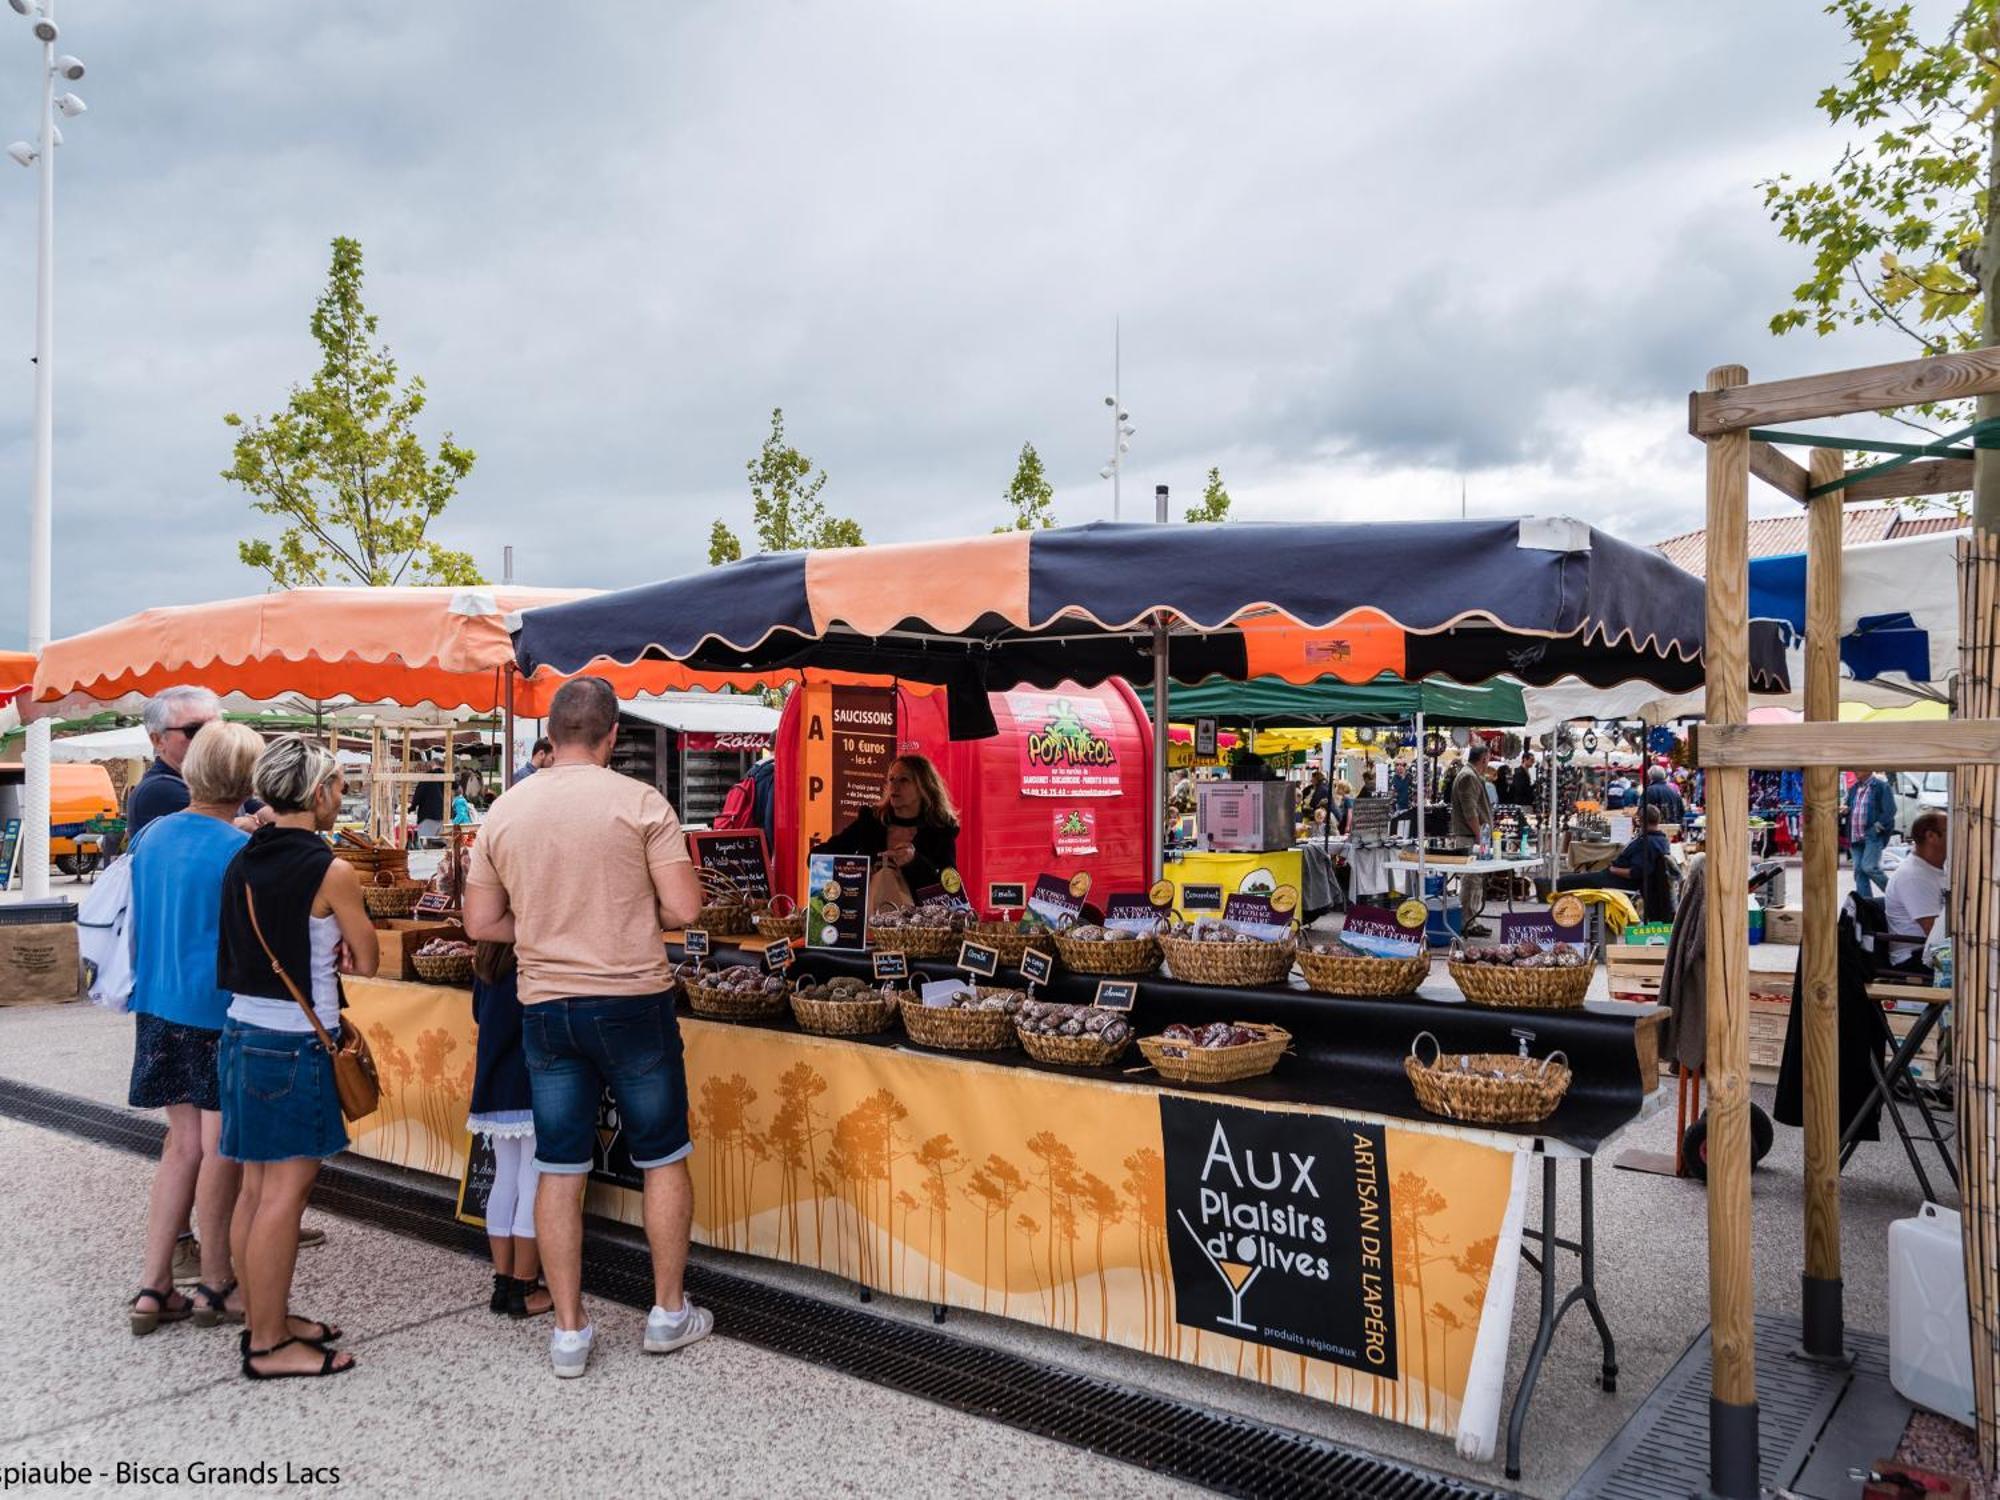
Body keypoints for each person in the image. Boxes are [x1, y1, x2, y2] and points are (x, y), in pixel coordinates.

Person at [462, 676, 709, 1379]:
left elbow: (480, 923)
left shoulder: (506, 810)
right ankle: (667, 1313)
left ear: (553, 730)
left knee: (560, 1164)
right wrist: (626, 916)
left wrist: (542, 929)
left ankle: (569, 1330)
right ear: (612, 736)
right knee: (662, 1155)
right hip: (634, 999)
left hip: (545, 1003)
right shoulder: (640, 802)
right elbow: (686, 908)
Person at [216, 736, 378, 1380]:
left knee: (255, 1188)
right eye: (338, 786)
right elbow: (365, 959)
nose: (341, 798)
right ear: (317, 794)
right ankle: (269, 1346)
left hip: (239, 1035)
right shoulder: (330, 870)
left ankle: (266, 1320)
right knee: (285, 1194)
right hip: (293, 1043)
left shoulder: (242, 857)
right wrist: (339, 945)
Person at [125, 722, 264, 1336]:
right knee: (218, 1149)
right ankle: (216, 1281)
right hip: (216, 1011)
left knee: (179, 1146)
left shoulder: (153, 835)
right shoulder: (238, 851)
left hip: (158, 1005)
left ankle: (154, 1286)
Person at [468, 941, 553, 1319]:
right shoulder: (531, 956)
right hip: (530, 1079)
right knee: (532, 1178)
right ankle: (526, 1285)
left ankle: (502, 1283)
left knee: (504, 1178)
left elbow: (476, 1013)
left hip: (493, 1083)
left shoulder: (485, 960)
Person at [818, 753, 961, 910]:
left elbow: (950, 889)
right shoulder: (871, 820)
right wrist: (859, 870)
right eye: (891, 779)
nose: (894, 785)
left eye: (904, 780)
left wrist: (914, 862)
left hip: (919, 926)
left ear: (923, 788)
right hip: (867, 916)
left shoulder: (940, 829)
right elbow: (821, 855)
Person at [126, 686, 222, 842]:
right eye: (193, 729)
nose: (209, 737)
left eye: (215, 727)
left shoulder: (209, 782)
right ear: (158, 740)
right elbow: (224, 834)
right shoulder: (161, 790)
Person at [1555, 804, 1671, 894]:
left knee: (1567, 882)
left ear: (1641, 820)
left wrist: (1613, 870)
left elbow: (1636, 872)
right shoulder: (1661, 840)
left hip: (1622, 882)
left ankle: (1553, 891)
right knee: (1578, 878)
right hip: (1619, 879)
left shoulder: (1647, 843)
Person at [1883, 810, 1948, 970]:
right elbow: (1935, 935)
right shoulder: (1914, 876)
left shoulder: (1937, 868)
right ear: (1931, 836)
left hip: (1930, 949)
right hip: (1916, 955)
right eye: (1950, 830)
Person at [1449, 743, 1494, 937]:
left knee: (1475, 881)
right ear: (1484, 758)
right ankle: (1466, 921)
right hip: (1470, 838)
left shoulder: (1471, 775)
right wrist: (1480, 837)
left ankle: (1471, 919)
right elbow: (1470, 812)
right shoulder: (1468, 776)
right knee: (1471, 881)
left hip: (1473, 836)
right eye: (1488, 758)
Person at [1848, 768, 1896, 900]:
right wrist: (1846, 810)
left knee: (1869, 867)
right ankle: (1865, 905)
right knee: (1859, 871)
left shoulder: (1881, 786)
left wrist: (1877, 827)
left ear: (1869, 769)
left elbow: (1890, 810)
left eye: (1858, 768)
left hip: (1872, 835)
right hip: (1855, 835)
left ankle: (1896, 895)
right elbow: (1851, 807)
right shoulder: (1854, 789)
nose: (1855, 771)